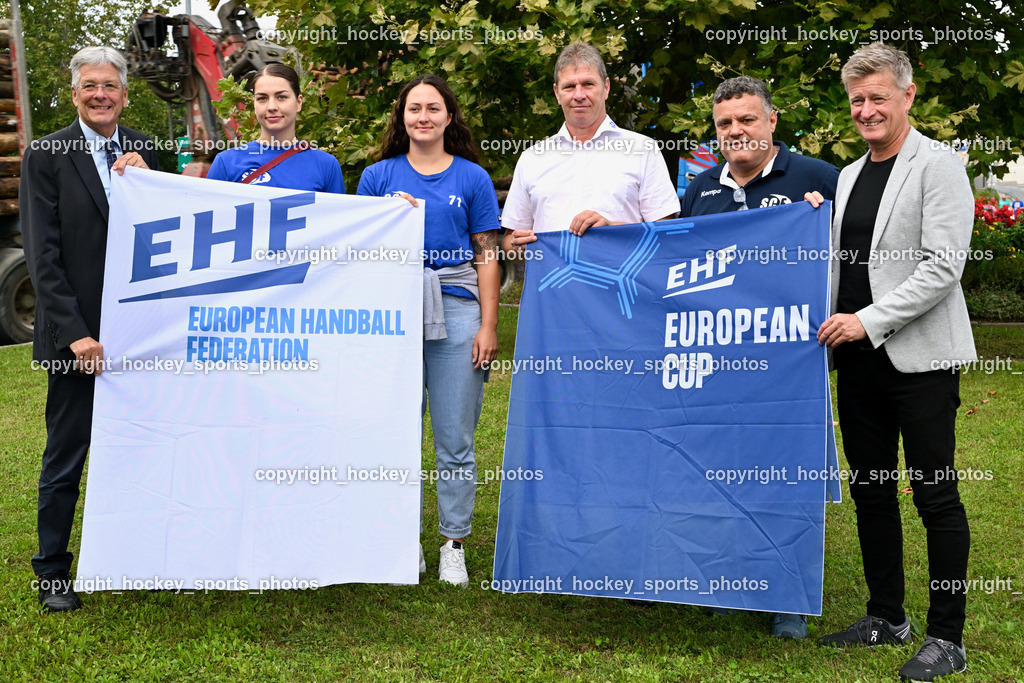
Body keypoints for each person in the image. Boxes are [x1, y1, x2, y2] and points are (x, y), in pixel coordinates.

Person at [806, 43, 975, 682]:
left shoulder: (939, 165)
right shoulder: (848, 176)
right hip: (857, 363)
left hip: (919, 358)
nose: (867, 110)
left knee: (935, 495)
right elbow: (840, 264)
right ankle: (886, 615)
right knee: (872, 491)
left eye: (879, 97)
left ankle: (946, 638)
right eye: (857, 100)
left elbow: (943, 266)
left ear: (907, 96)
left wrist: (868, 320)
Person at [680, 76, 839, 640]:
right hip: (720, 360)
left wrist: (822, 221)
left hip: (789, 364)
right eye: (725, 124)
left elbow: (850, 258)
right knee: (721, 474)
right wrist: (603, 235)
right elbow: (669, 261)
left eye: (747, 119)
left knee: (784, 476)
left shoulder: (817, 180)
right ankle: (729, 582)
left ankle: (787, 597)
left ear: (772, 121)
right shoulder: (700, 191)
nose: (736, 131)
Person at [22, 46, 159, 612]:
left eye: (111, 85)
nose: (101, 94)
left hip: (141, 336)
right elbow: (41, 254)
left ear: (125, 94)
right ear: (75, 94)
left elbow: (172, 233)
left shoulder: (146, 149)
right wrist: (76, 332)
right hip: (78, 340)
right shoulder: (46, 153)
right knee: (67, 456)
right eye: (90, 86)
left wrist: (154, 182)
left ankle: (144, 558)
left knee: (146, 449)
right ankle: (52, 572)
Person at [356, 74, 500, 588]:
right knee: (396, 433)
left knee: (455, 436)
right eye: (413, 108)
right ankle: (402, 539)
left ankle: (453, 543)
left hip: (458, 308)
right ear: (402, 116)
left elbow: (487, 254)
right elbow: (362, 255)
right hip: (394, 312)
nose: (423, 116)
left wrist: (488, 324)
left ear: (448, 116)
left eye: (433, 108)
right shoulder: (377, 176)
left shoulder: (472, 178)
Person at [502, 42, 679, 254]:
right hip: (553, 286)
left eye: (588, 84)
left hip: (620, 286)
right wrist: (517, 247)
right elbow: (510, 241)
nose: (579, 95)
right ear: (557, 94)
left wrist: (611, 228)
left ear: (606, 87)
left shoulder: (643, 150)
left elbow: (668, 236)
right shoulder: (532, 159)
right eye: (569, 86)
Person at [206, 63, 344, 192]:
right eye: (262, 98)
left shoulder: (326, 166)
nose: (271, 107)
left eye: (281, 97)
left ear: (299, 102)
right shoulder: (225, 163)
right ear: (254, 104)